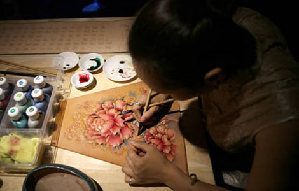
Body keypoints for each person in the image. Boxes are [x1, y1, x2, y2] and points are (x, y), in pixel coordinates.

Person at [121, 0, 299, 190]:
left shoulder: (281, 119)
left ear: (213, 79)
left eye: (168, 88)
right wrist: (162, 93)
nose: (156, 92)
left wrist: (166, 173)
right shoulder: (209, 25)